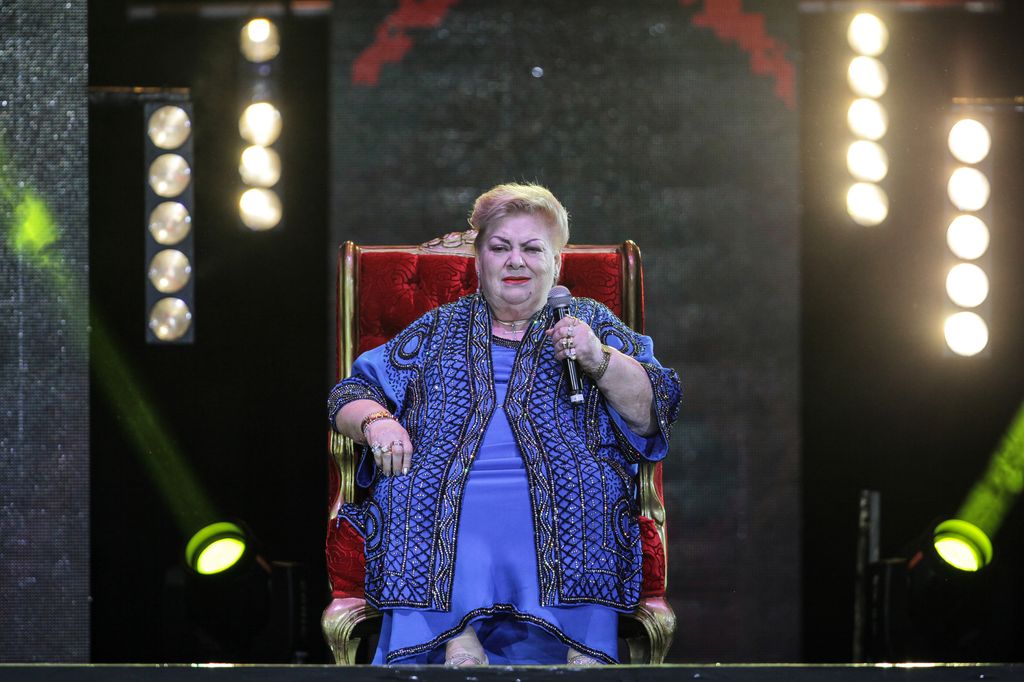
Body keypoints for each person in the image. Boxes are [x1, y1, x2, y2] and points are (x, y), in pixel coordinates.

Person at [328, 183, 681, 665]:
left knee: (585, 488)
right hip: (440, 477)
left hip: (569, 480)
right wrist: (376, 422)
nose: (515, 261)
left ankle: (575, 643)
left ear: (557, 262)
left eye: (532, 249)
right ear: (479, 260)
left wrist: (600, 360)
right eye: (500, 248)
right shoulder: (437, 329)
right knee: (418, 487)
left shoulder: (590, 323)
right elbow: (350, 393)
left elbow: (652, 411)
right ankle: (455, 635)